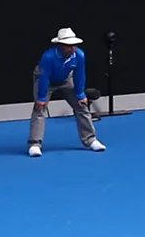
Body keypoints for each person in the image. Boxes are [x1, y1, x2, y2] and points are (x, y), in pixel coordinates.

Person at [27, 28, 106, 159]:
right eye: (69, 46)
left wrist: (80, 94)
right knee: (39, 109)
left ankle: (90, 140)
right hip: (45, 81)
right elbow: (44, 76)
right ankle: (34, 144)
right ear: (60, 45)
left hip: (65, 80)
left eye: (74, 45)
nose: (72, 48)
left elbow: (80, 75)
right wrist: (41, 97)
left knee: (81, 106)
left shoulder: (79, 55)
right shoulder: (48, 56)